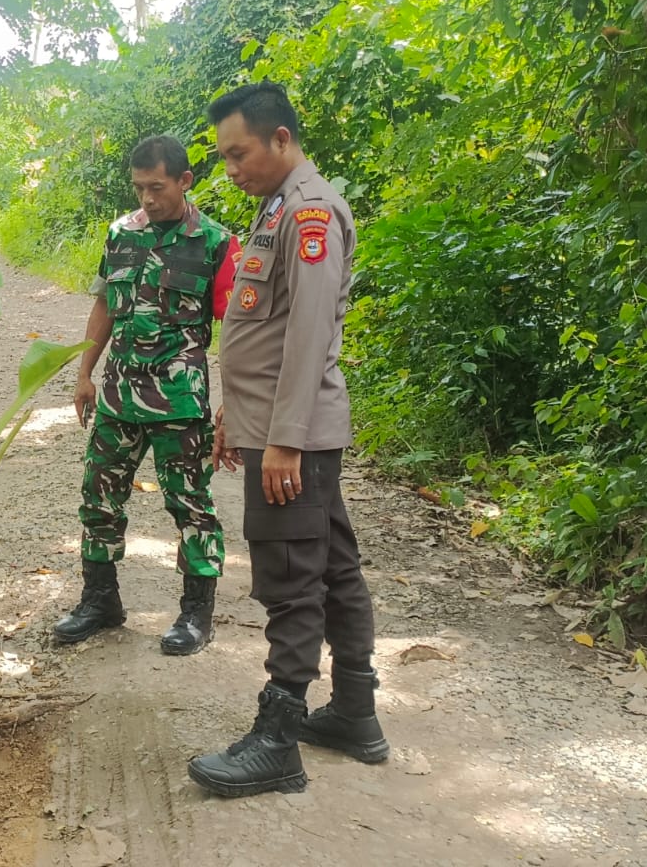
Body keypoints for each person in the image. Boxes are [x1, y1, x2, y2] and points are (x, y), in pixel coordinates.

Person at [188, 82, 389, 798]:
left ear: (280, 139)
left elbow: (307, 336)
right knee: (332, 566)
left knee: (291, 576)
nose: (230, 168)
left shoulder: (309, 211)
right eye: (223, 156)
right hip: (275, 424)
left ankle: (278, 740)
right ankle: (355, 715)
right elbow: (260, 332)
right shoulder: (277, 206)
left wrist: (284, 442)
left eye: (238, 153)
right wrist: (234, 419)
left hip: (292, 435)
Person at [54, 135, 240, 656]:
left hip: (180, 400)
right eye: (138, 188)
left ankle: (196, 613)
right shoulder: (121, 235)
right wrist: (84, 373)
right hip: (117, 395)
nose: (147, 199)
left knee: (191, 505)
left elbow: (241, 328)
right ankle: (100, 601)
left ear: (185, 181)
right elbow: (104, 306)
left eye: (156, 187)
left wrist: (237, 399)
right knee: (98, 498)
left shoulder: (216, 242)